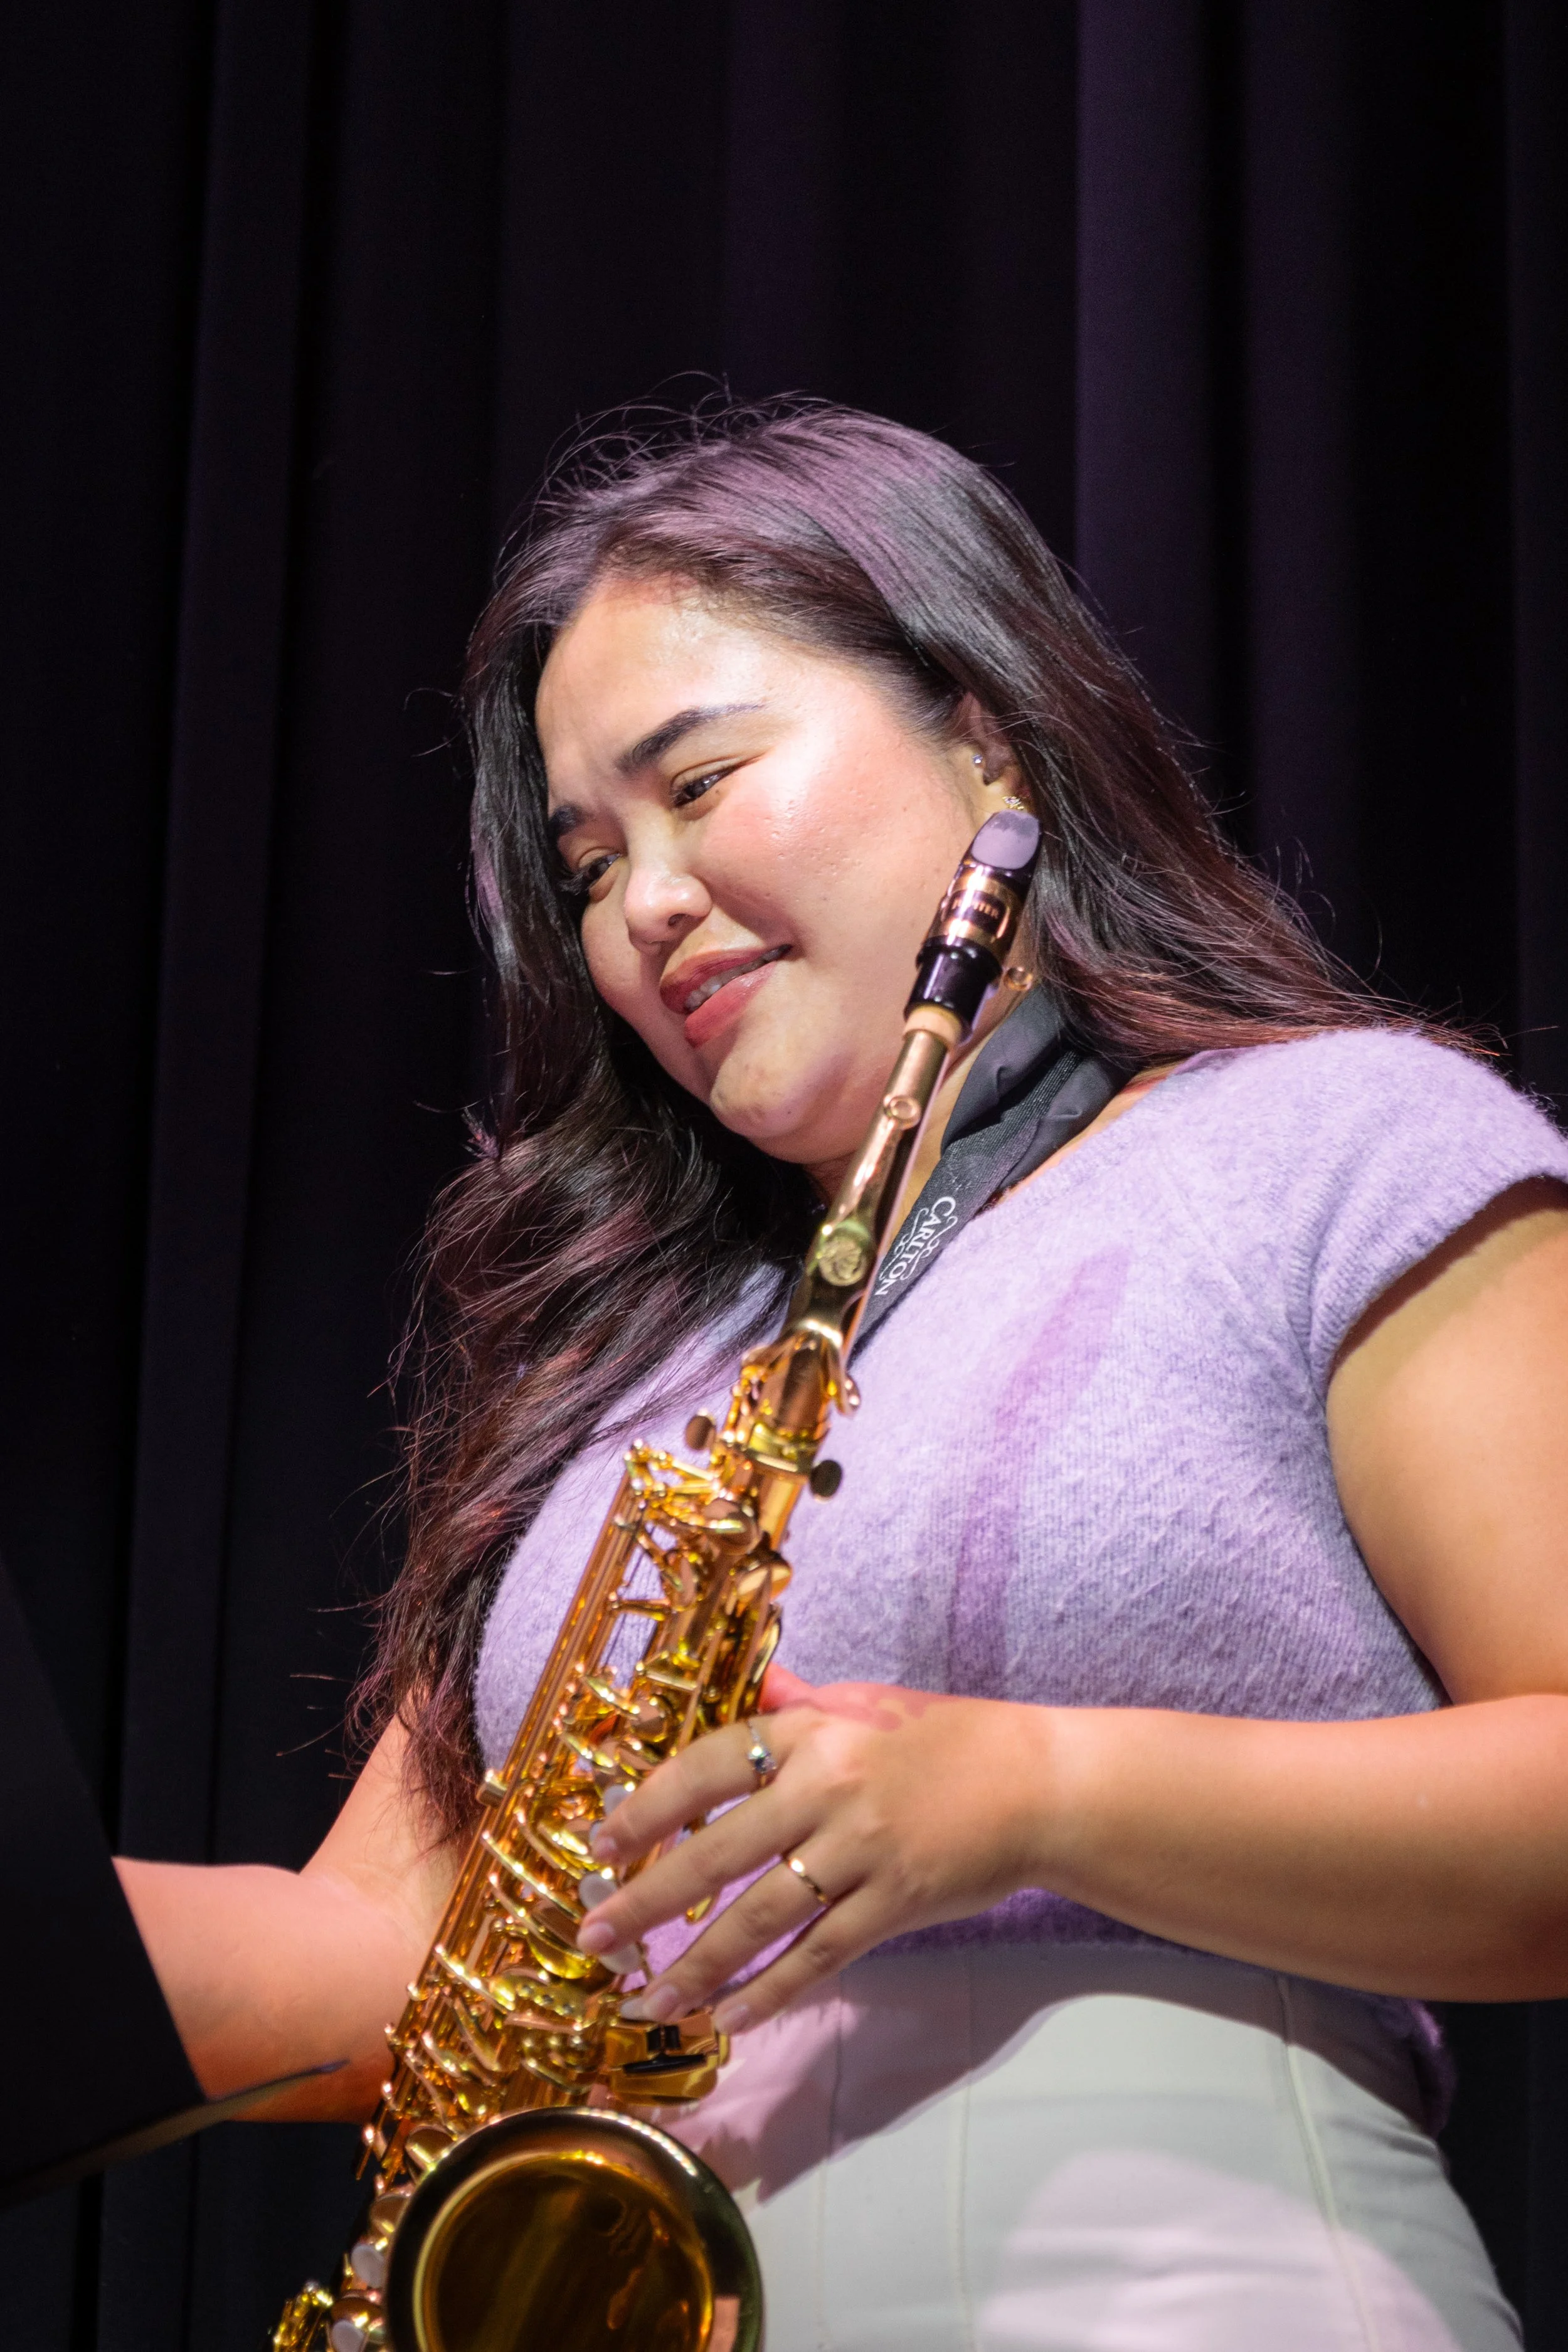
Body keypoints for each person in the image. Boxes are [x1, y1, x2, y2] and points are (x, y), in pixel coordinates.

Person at [124, 402, 1568, 2348]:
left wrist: (1037, 1788)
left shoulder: (1340, 1138)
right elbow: (391, 1960)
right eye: (583, 863)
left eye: (698, 781)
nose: (638, 903)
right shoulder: (616, 1364)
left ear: (984, 729)